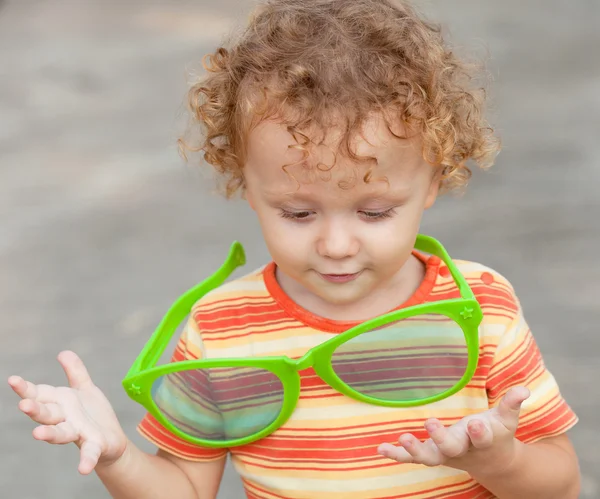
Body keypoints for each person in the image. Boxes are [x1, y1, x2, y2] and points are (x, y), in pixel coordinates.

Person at [8, 0, 580, 498]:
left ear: (433, 181)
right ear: (246, 185)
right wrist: (116, 457)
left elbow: (562, 484)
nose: (335, 244)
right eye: (298, 213)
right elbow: (183, 488)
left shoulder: (480, 312)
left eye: (374, 211)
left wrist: (498, 460)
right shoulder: (219, 331)